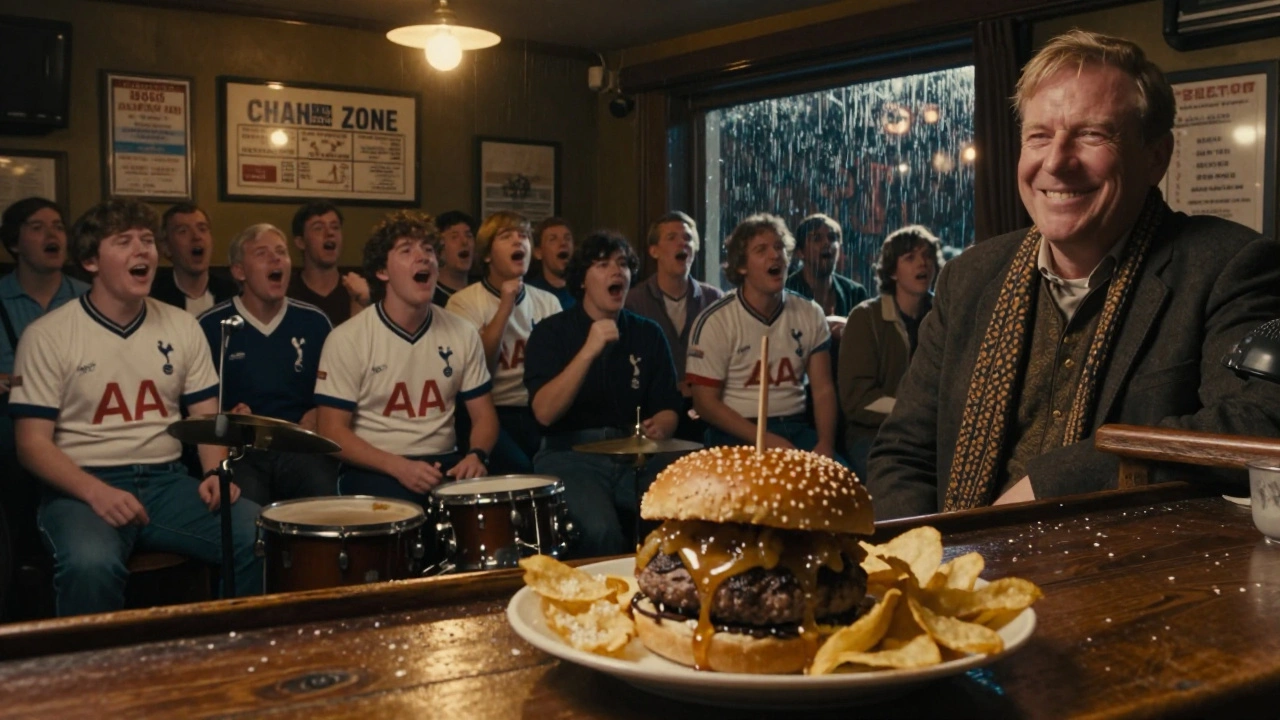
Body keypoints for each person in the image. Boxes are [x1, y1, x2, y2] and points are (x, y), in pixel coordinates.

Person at [868, 30, 1280, 519]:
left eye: (1092, 135)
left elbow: (1260, 422)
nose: (1056, 162)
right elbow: (903, 454)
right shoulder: (969, 277)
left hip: (1123, 566)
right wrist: (924, 553)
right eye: (1039, 136)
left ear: (1156, 156)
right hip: (959, 563)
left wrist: (1056, 482)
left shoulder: (1231, 264)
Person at [9, 198, 262, 616]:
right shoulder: (48, 335)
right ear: (91, 261)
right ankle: (96, 659)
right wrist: (95, 492)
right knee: (90, 565)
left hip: (166, 481)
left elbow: (205, 416)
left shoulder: (181, 326)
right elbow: (31, 444)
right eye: (123, 241)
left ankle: (229, 645)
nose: (141, 249)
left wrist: (214, 472)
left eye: (146, 240)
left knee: (257, 532)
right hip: (83, 484)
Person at [316, 211, 497, 507]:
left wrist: (477, 455)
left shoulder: (462, 332)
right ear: (382, 271)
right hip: (376, 467)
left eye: (428, 250)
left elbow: (484, 416)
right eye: (406, 250)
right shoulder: (348, 338)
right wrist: (398, 467)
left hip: (444, 462)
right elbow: (331, 432)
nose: (422, 257)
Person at [524, 230, 682, 558]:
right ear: (582, 280)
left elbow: (668, 407)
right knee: (600, 530)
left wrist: (662, 426)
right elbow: (545, 413)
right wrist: (588, 350)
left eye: (622, 264)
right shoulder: (551, 332)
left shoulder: (647, 333)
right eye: (602, 265)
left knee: (678, 511)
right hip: (569, 454)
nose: (616, 272)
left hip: (633, 454)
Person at [198, 223, 337, 507]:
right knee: (244, 502)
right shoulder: (212, 325)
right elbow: (193, 405)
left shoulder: (315, 321)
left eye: (281, 252)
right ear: (239, 271)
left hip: (300, 445)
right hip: (241, 450)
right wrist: (226, 417)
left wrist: (320, 412)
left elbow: (339, 390)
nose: (276, 259)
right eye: (262, 253)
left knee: (323, 492)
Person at [687, 213, 842, 461]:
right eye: (761, 250)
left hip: (797, 429)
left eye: (779, 247)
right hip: (734, 433)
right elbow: (705, 404)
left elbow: (823, 390)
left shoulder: (810, 313)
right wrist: (767, 440)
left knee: (844, 481)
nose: (775, 255)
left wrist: (825, 444)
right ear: (741, 266)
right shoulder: (716, 321)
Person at [0, 197, 89, 615]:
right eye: (37, 227)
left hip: (80, 419)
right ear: (14, 243)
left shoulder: (89, 297)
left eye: (58, 226)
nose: (52, 235)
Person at [447, 212, 561, 474]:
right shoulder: (463, 303)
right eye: (506, 236)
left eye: (524, 236)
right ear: (487, 255)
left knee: (553, 466)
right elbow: (480, 369)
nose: (518, 241)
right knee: (522, 470)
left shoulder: (548, 302)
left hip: (538, 410)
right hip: (490, 411)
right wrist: (504, 308)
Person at [838, 225, 941, 480]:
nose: (922, 263)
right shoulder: (866, 318)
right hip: (876, 433)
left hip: (934, 430)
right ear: (892, 271)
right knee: (898, 481)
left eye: (927, 256)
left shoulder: (943, 314)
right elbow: (857, 400)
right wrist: (913, 410)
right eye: (910, 257)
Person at [624, 211, 724, 441]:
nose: (682, 243)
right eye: (671, 237)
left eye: (688, 238)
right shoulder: (634, 301)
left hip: (704, 408)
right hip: (652, 409)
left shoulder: (713, 299)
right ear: (654, 251)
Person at [286, 200, 370, 326]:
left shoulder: (357, 289)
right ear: (300, 242)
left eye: (335, 227)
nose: (330, 233)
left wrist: (360, 302)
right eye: (318, 228)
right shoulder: (286, 293)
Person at [784, 213, 869, 336]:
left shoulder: (855, 293)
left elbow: (867, 337)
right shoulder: (786, 291)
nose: (826, 243)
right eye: (816, 238)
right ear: (800, 252)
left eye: (832, 238)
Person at [150, 203, 236, 315]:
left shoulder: (233, 295)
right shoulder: (152, 297)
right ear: (166, 247)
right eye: (183, 231)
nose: (196, 236)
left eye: (202, 229)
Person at [528, 216, 575, 309]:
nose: (563, 243)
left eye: (567, 238)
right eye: (553, 239)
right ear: (538, 253)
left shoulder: (586, 290)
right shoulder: (530, 294)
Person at [433, 210, 476, 308]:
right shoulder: (429, 296)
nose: (465, 241)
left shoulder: (481, 293)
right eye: (454, 237)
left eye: (469, 236)